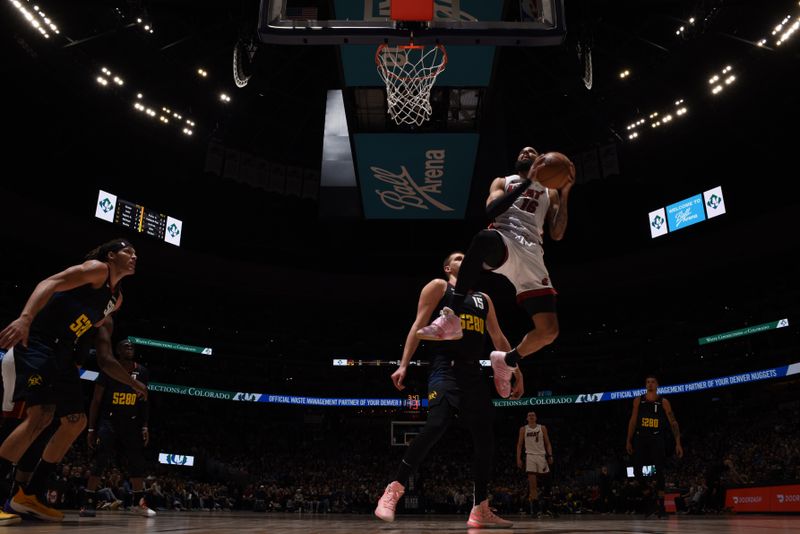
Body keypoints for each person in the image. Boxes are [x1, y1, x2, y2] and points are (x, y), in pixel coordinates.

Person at [0, 238, 148, 521]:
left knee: (75, 421)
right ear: (111, 255)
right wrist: (25, 318)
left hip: (64, 353)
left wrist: (131, 382)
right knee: (40, 415)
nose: (134, 256)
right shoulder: (97, 269)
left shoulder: (115, 300)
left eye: (136, 253)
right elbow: (51, 281)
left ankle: (29, 495)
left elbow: (104, 356)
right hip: (40, 342)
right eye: (128, 251)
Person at [374, 251, 523, 528]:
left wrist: (516, 371)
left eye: (467, 256)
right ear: (447, 267)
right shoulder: (440, 287)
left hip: (473, 374)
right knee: (437, 424)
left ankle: (480, 508)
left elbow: (499, 338)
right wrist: (403, 364)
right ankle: (394, 489)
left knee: (485, 437)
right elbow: (418, 325)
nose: (463, 259)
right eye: (457, 257)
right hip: (445, 368)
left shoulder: (483, 299)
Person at [416, 147, 575, 398]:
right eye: (522, 151)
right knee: (483, 238)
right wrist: (528, 182)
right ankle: (451, 316)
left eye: (531, 151)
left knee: (549, 331)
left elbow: (557, 233)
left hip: (533, 255)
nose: (525, 152)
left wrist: (565, 193)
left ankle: (507, 360)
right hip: (505, 239)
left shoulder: (551, 191)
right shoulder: (504, 181)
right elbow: (492, 211)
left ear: (543, 161)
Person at [81, 338, 155, 517]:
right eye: (125, 345)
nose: (129, 347)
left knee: (137, 462)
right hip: (109, 421)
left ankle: (139, 504)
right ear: (117, 351)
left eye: (131, 345)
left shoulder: (142, 371)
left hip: (132, 422)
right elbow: (96, 401)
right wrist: (91, 429)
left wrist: (145, 425)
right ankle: (88, 503)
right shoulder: (108, 370)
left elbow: (144, 401)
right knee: (100, 460)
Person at [625, 375, 683, 518]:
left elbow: (673, 423)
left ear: (657, 385)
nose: (650, 384)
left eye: (652, 382)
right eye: (647, 382)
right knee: (637, 471)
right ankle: (649, 501)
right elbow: (632, 421)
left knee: (660, 471)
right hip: (641, 439)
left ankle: (661, 505)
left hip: (657, 438)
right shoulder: (638, 401)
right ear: (646, 385)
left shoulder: (663, 402)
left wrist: (678, 442)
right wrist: (628, 440)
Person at [516, 411, 553, 517]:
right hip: (530, 456)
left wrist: (550, 455)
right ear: (527, 418)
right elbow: (519, 445)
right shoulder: (523, 429)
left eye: (533, 415)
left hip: (542, 456)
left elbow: (548, 443)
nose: (531, 417)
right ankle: (535, 510)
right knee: (533, 485)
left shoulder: (542, 428)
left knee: (547, 483)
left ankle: (546, 508)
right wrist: (518, 459)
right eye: (529, 415)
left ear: (536, 417)